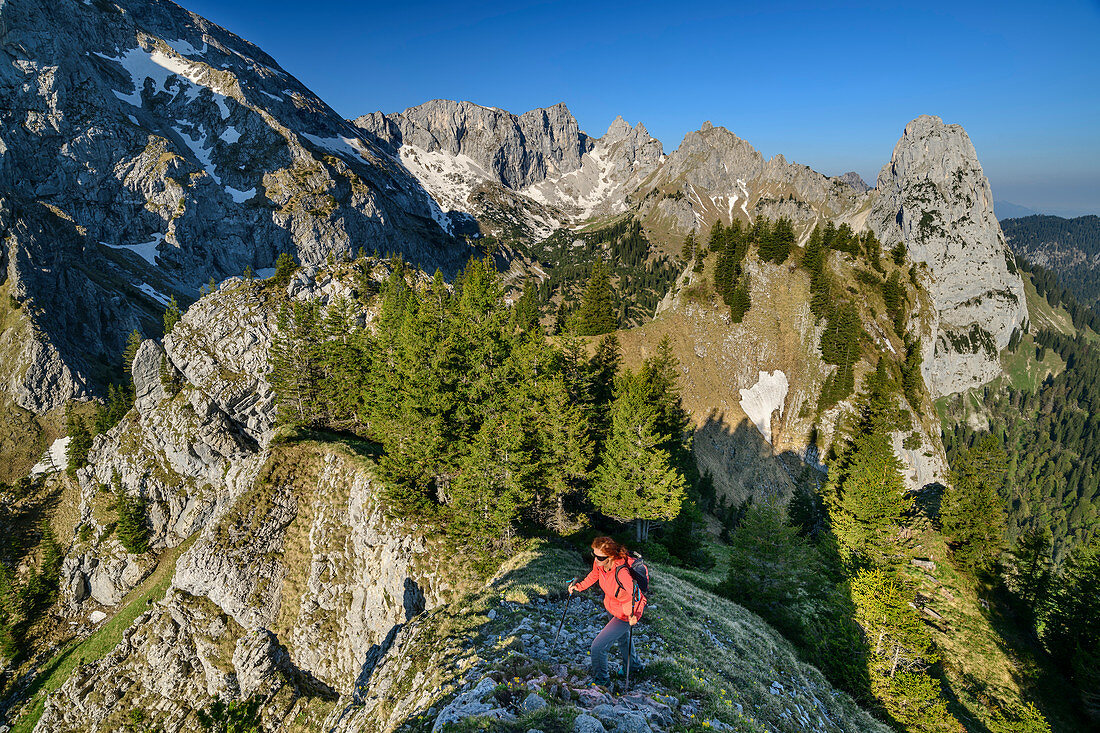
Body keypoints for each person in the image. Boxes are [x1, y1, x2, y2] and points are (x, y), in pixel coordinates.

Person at [568, 536, 645, 684]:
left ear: (610, 556)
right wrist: (579, 587)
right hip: (612, 607)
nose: (596, 559)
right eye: (594, 555)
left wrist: (635, 614)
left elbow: (638, 596)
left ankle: (602, 682)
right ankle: (634, 667)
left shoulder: (622, 573)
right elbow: (594, 575)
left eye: (599, 557)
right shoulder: (600, 564)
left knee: (597, 647)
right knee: (623, 638)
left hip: (625, 613)